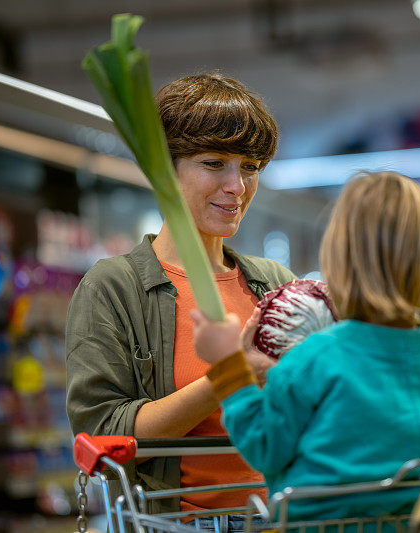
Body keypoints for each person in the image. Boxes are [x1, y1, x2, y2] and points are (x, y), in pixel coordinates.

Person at [65, 73, 296, 521]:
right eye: (214, 163)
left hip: (281, 519)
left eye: (250, 167)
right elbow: (102, 435)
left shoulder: (274, 284)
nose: (238, 186)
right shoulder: (114, 288)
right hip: (174, 524)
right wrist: (229, 376)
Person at [191, 171, 420, 522]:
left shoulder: (317, 356)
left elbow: (264, 445)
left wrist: (229, 362)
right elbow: (363, 412)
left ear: (341, 260)